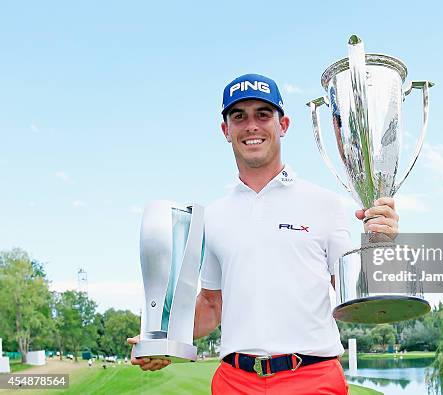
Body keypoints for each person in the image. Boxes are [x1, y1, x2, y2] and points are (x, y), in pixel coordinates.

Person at [129, 73, 399, 394]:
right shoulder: (213, 216)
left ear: (282, 125)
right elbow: (213, 305)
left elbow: (353, 293)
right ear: (225, 131)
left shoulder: (324, 203)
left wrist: (379, 245)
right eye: (239, 116)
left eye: (263, 114)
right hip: (235, 380)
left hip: (312, 377)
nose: (251, 126)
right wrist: (162, 341)